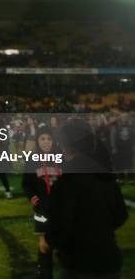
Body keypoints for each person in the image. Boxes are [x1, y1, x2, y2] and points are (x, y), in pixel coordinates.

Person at [45, 118, 129, 278]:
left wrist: (50, 242)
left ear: (64, 145)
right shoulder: (104, 174)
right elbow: (120, 215)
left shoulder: (67, 181)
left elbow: (58, 228)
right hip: (109, 260)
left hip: (79, 265)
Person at [22, 125, 62, 278]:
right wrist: (35, 200)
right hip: (42, 212)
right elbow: (26, 184)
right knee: (45, 247)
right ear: (37, 140)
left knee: (64, 247)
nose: (46, 142)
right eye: (42, 138)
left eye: (49, 139)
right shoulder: (32, 159)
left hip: (62, 211)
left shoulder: (61, 157)